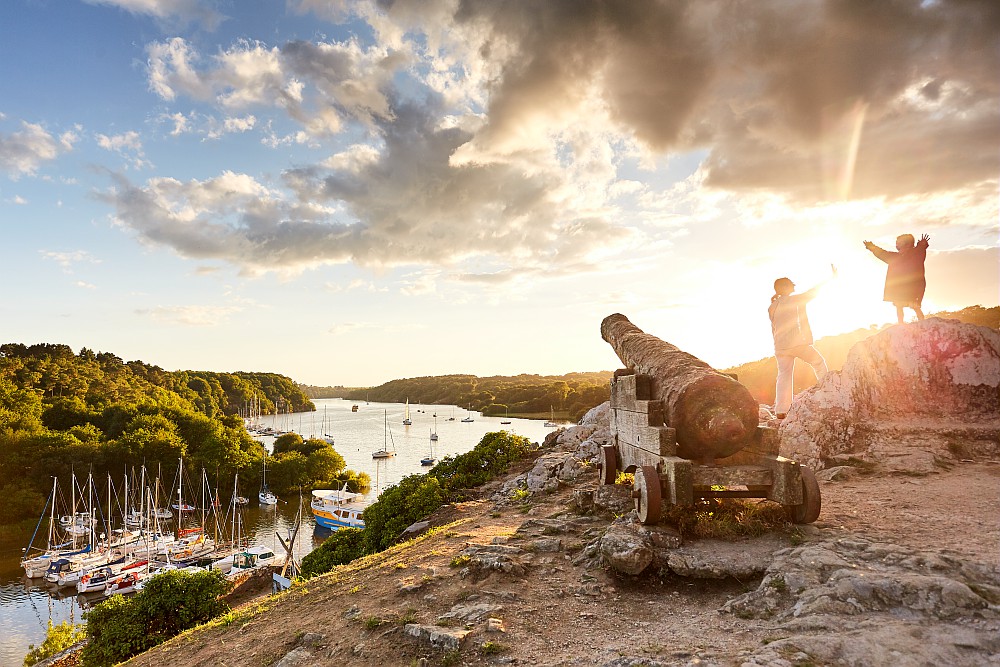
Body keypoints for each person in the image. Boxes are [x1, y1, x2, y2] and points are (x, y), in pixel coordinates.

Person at [768, 266, 836, 419]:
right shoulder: (795, 299)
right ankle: (829, 393)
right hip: (797, 342)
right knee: (819, 362)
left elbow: (773, 327)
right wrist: (831, 278)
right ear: (785, 287)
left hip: (780, 346)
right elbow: (813, 291)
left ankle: (781, 410)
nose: (794, 286)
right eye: (791, 284)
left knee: (783, 376)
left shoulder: (772, 306)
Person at [863, 233, 929, 324]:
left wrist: (922, 244)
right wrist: (872, 247)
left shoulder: (916, 253)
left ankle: (923, 323)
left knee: (915, 306)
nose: (896, 244)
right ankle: (901, 324)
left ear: (907, 243)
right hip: (899, 288)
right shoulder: (894, 257)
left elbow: (920, 249)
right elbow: (882, 253)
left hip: (913, 286)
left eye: (899, 242)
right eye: (896, 242)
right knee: (899, 305)